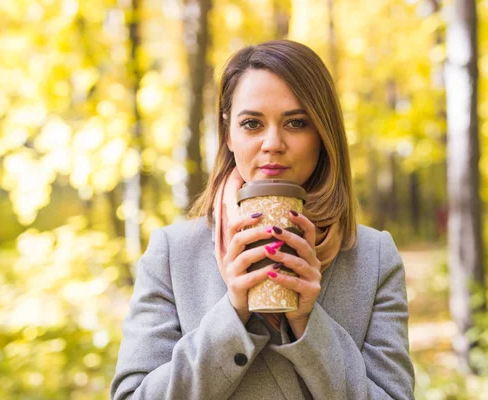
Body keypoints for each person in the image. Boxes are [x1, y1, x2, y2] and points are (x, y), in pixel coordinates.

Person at [110, 40, 415, 400]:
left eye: (296, 122)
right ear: (229, 134)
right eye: (252, 123)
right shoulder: (173, 254)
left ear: (322, 134)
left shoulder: (373, 257)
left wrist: (308, 325)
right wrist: (232, 315)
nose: (273, 143)